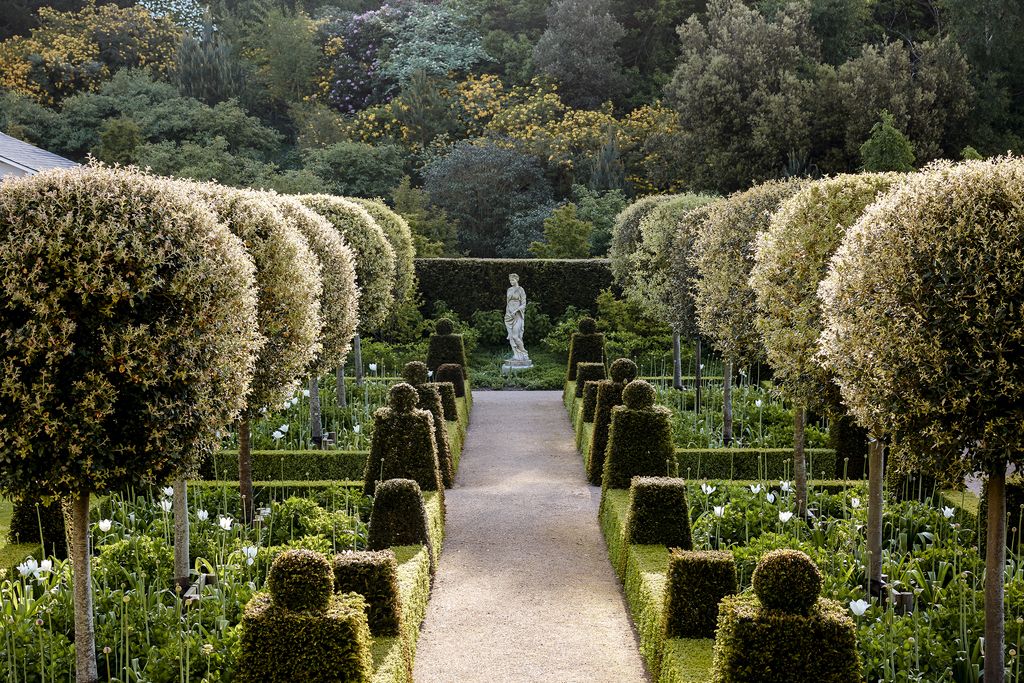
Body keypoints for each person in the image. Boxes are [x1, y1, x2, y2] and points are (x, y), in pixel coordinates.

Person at [504, 273, 529, 362]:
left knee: (516, 336)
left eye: (513, 280)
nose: (511, 282)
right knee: (511, 336)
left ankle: (524, 353)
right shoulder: (509, 290)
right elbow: (508, 302)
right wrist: (509, 312)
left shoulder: (521, 290)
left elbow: (524, 304)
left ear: (517, 280)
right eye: (510, 280)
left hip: (517, 315)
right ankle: (516, 355)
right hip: (508, 315)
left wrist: (516, 310)